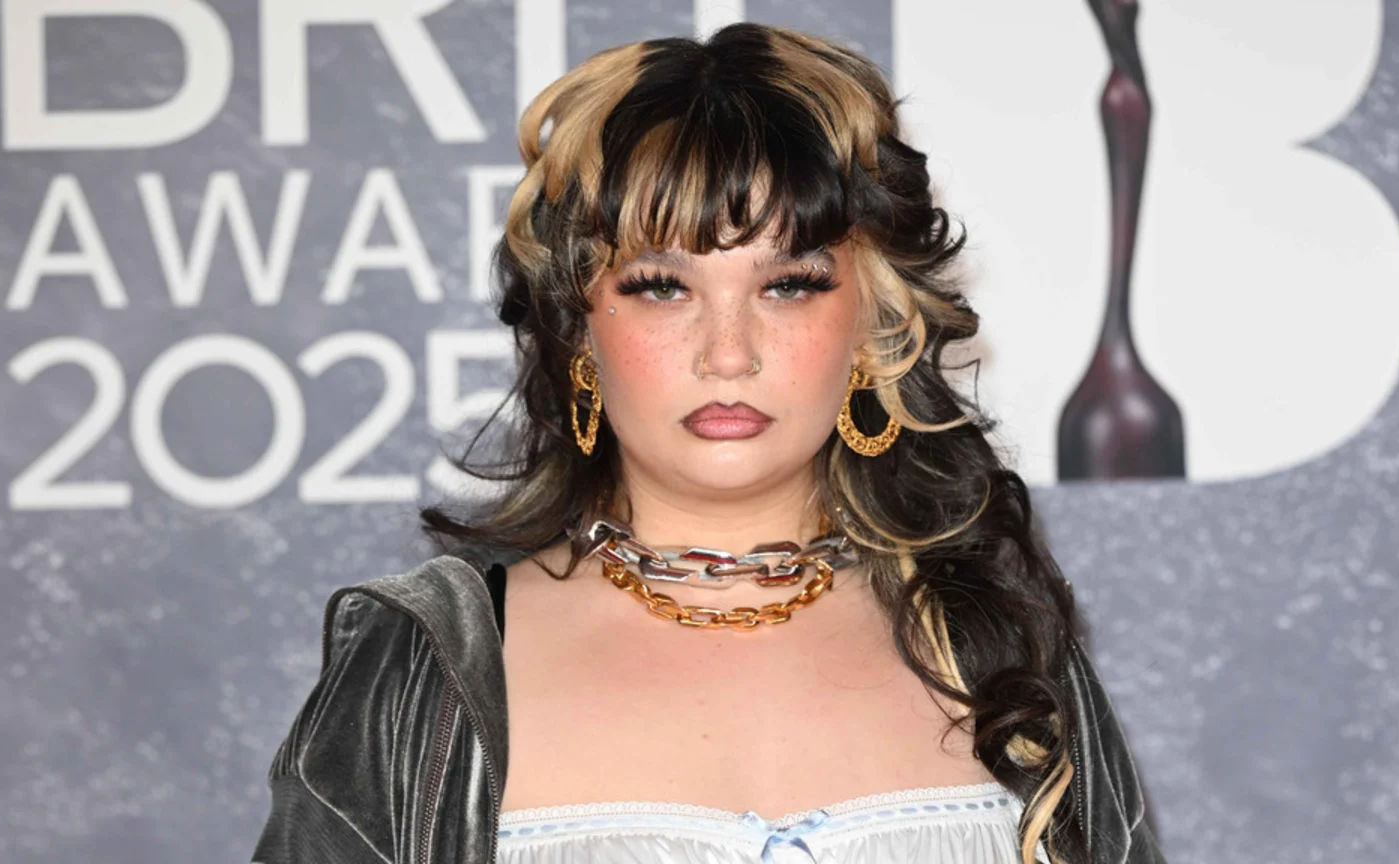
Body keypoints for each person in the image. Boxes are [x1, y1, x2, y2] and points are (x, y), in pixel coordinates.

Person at [250, 21, 1166, 864]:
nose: (728, 353)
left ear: (875, 328)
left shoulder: (1002, 648)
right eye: (660, 286)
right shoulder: (424, 669)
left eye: (790, 284)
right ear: (579, 329)